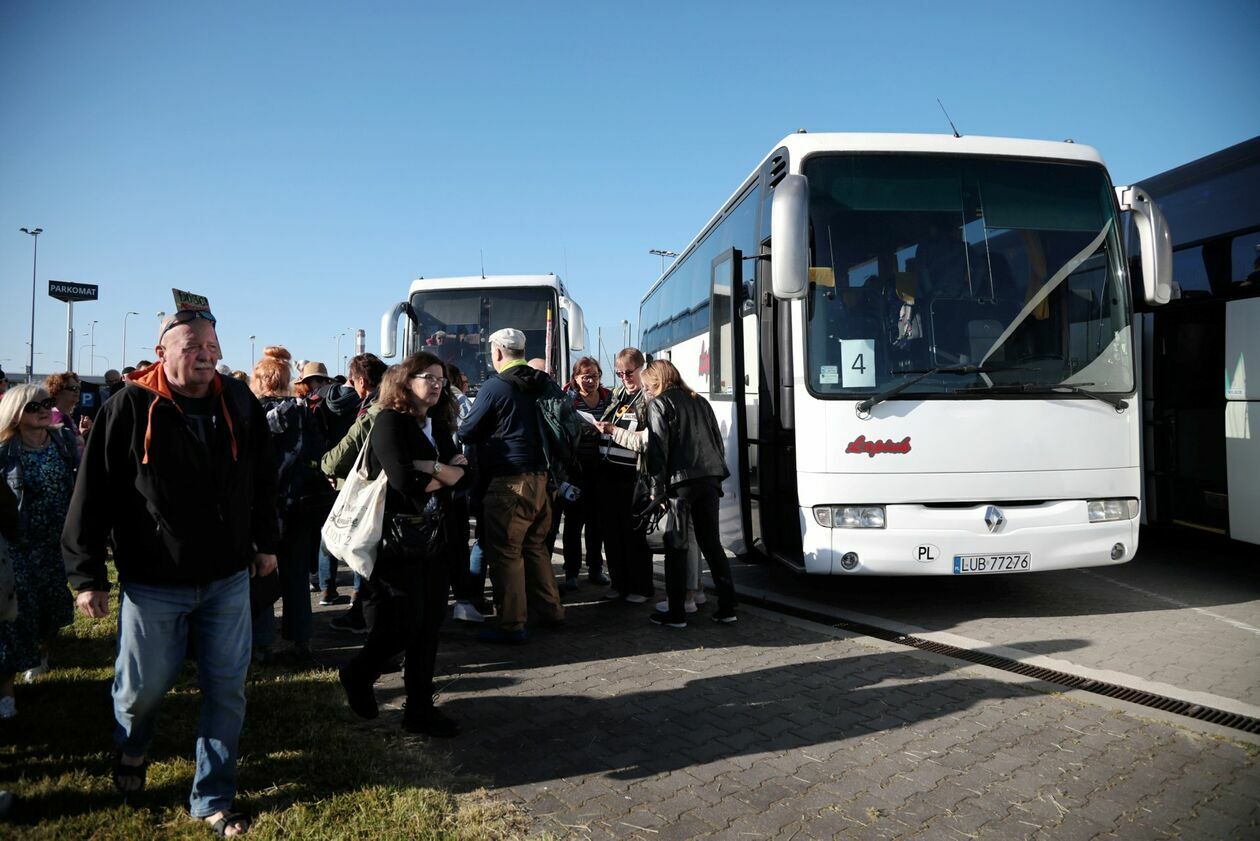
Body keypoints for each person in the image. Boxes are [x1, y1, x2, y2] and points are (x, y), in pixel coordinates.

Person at [62, 309, 278, 837]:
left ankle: (212, 797)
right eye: (192, 345)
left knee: (227, 689)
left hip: (226, 576)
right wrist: (86, 573)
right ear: (163, 352)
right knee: (141, 693)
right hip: (154, 581)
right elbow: (94, 494)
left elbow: (261, 475)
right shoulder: (130, 407)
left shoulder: (238, 400)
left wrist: (265, 541)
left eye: (211, 344)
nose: (206, 354)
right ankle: (133, 747)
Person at [338, 353, 469, 737]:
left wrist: (435, 470)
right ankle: (358, 672)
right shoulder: (388, 422)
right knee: (402, 626)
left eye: (441, 380)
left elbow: (467, 475)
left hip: (437, 538)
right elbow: (404, 483)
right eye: (427, 377)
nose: (436, 385)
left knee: (429, 626)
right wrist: (448, 472)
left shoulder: (438, 425)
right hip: (396, 543)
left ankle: (419, 709)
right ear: (404, 380)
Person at [458, 328, 565, 644]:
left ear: (498, 352)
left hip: (508, 482)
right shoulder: (544, 382)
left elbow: (467, 431)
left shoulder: (495, 387)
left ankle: (511, 624)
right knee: (535, 548)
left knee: (505, 554)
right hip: (543, 481)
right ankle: (551, 611)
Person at [640, 359, 738, 628]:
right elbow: (716, 440)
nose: (647, 391)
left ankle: (677, 612)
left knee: (676, 548)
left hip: (680, 482)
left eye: (648, 386)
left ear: (657, 381)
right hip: (709, 478)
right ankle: (728, 607)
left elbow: (658, 450)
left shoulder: (660, 404)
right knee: (712, 544)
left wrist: (655, 491)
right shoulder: (699, 400)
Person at [0, 385, 79, 718]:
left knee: (52, 604)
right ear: (17, 413)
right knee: (16, 615)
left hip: (58, 541)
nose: (45, 410)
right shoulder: (4, 451)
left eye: (47, 403)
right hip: (18, 542)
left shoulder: (63, 440)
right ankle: (7, 691)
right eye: (35, 406)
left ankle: (43, 653)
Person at [249, 347, 322, 663]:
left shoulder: (252, 413)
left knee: (263, 571)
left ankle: (262, 642)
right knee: (296, 573)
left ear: (261, 379)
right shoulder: (304, 411)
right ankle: (301, 639)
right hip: (300, 503)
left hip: (265, 507)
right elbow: (318, 450)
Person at [321, 352, 388, 630]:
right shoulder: (410, 406)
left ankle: (368, 622)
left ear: (361, 381)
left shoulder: (372, 411)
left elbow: (338, 457)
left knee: (364, 553)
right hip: (406, 496)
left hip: (373, 494)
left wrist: (324, 465)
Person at [592, 348, 654, 604]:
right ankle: (619, 583)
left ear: (642, 368)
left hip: (634, 475)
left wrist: (614, 430)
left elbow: (649, 438)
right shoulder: (617, 394)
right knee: (612, 532)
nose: (625, 378)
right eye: (620, 374)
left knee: (634, 534)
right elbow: (610, 418)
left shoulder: (649, 397)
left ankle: (640, 587)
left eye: (629, 372)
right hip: (609, 471)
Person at [560, 357, 610, 591]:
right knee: (573, 522)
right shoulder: (567, 399)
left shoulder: (609, 397)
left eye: (595, 376)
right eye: (585, 377)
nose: (590, 381)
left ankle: (596, 568)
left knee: (597, 522)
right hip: (575, 469)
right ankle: (571, 571)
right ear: (576, 378)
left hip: (601, 467)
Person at [45, 372, 91, 448]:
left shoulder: (65, 415)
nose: (77, 391)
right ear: (56, 391)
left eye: (78, 388)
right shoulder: (58, 417)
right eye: (72, 388)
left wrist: (81, 433)